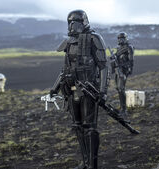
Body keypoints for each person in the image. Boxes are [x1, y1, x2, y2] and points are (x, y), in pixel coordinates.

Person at [50, 10, 108, 169]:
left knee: (90, 127)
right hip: (71, 89)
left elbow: (103, 67)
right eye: (70, 22)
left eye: (75, 22)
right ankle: (86, 162)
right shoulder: (69, 42)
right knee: (78, 126)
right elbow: (65, 69)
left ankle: (93, 165)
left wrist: (103, 91)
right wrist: (55, 88)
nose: (72, 26)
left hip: (89, 89)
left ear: (84, 22)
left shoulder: (94, 39)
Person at [111, 32, 134, 118]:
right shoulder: (118, 48)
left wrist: (128, 69)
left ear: (126, 39)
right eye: (119, 38)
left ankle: (124, 110)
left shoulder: (129, 47)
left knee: (121, 89)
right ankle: (121, 108)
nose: (121, 40)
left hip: (123, 70)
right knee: (118, 88)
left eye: (122, 38)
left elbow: (131, 60)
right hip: (118, 70)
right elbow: (116, 57)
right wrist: (113, 58)